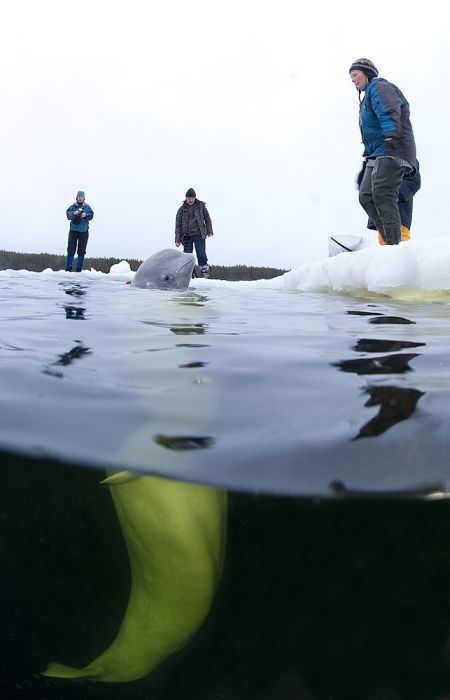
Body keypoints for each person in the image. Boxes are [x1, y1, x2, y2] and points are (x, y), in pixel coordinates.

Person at [349, 58, 417, 245]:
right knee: (366, 195)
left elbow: (389, 111)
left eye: (355, 74)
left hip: (393, 148)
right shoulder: (366, 97)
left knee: (382, 192)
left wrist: (391, 136)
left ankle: (395, 247)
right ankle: (390, 242)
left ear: (367, 72)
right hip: (377, 152)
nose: (353, 80)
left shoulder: (379, 87)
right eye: (351, 77)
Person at [368, 161, 421, 244]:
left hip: (399, 216)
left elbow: (413, 181)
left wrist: (392, 195)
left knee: (400, 245)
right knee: (384, 247)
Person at [175, 188, 213, 278]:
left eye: (192, 198)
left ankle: (205, 272)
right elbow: (178, 225)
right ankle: (188, 274)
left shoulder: (201, 206)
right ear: (186, 198)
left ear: (195, 198)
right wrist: (177, 239)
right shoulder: (181, 210)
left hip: (199, 234)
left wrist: (209, 230)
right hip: (187, 236)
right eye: (189, 198)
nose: (190, 200)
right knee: (187, 256)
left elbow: (207, 218)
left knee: (201, 254)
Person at [65, 190, 94, 271]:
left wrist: (85, 215)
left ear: (84, 198)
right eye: (79, 197)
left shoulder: (87, 207)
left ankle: (79, 269)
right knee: (70, 249)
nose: (80, 198)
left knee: (81, 250)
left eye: (82, 197)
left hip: (84, 231)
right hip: (73, 231)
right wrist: (74, 213)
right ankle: (68, 268)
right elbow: (68, 215)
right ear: (76, 197)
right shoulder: (72, 207)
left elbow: (91, 215)